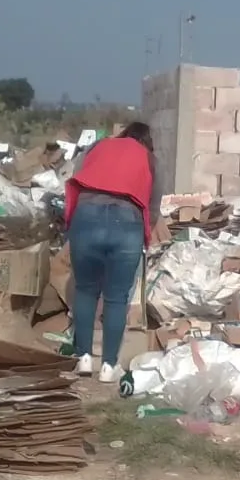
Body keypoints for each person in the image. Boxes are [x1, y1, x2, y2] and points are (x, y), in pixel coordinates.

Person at [63, 122, 156, 382]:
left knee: (85, 289)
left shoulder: (100, 146)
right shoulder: (147, 157)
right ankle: (108, 366)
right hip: (127, 221)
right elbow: (152, 203)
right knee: (116, 297)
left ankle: (83, 358)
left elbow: (77, 177)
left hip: (87, 215)